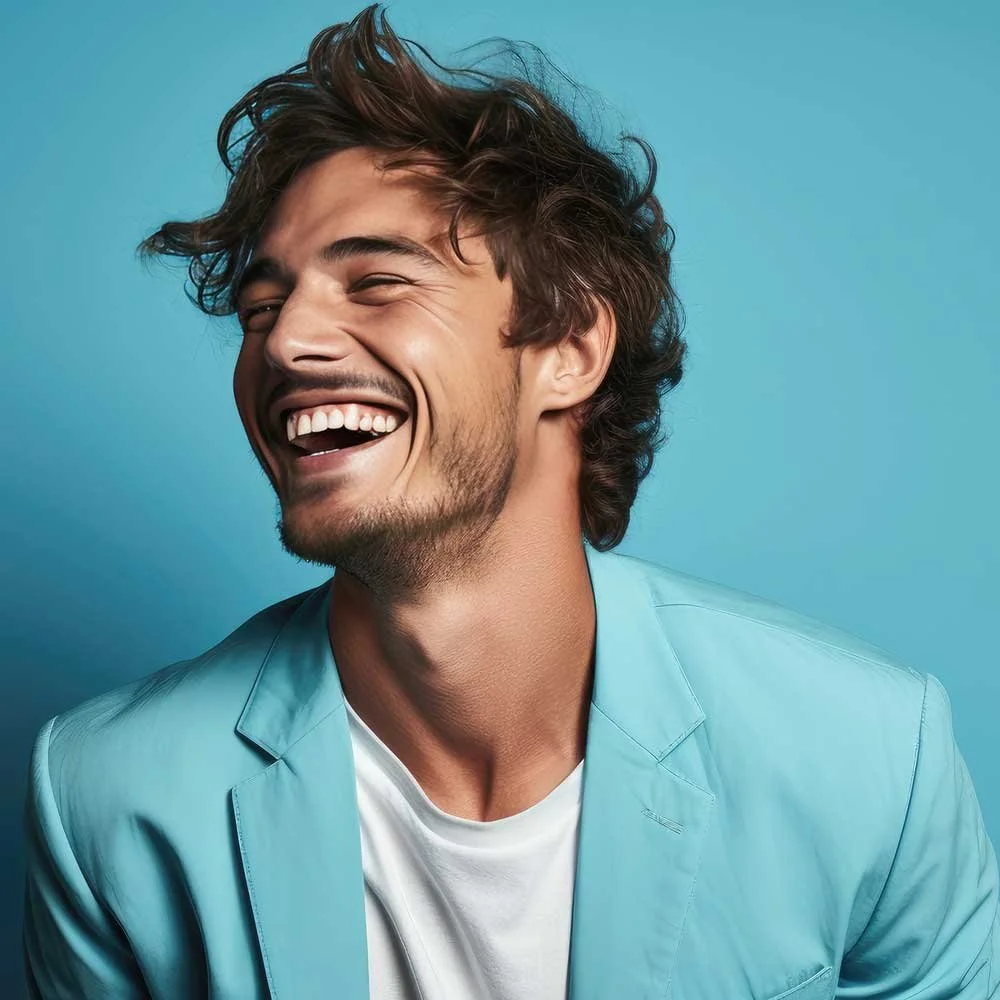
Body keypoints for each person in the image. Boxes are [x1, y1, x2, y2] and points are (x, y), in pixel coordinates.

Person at [22, 6, 998, 999]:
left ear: (568, 348)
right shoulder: (110, 796)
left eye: (375, 283)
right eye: (261, 308)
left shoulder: (863, 756)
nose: (282, 343)